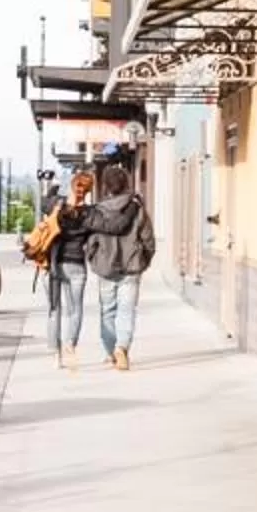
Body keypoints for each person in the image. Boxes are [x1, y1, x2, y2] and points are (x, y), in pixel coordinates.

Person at [74, 155, 155, 371]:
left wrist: (94, 260)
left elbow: (91, 241)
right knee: (127, 311)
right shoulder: (137, 209)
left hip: (105, 269)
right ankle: (122, 348)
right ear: (126, 184)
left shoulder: (98, 211)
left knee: (107, 311)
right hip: (131, 267)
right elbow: (148, 239)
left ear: (106, 187)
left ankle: (111, 352)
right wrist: (143, 260)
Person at [43, 166, 97, 371]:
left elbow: (43, 203)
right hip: (77, 265)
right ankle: (69, 346)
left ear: (73, 187)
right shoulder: (91, 213)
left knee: (54, 309)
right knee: (75, 309)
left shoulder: (58, 207)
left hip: (55, 264)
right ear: (89, 190)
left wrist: (54, 186)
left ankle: (55, 355)